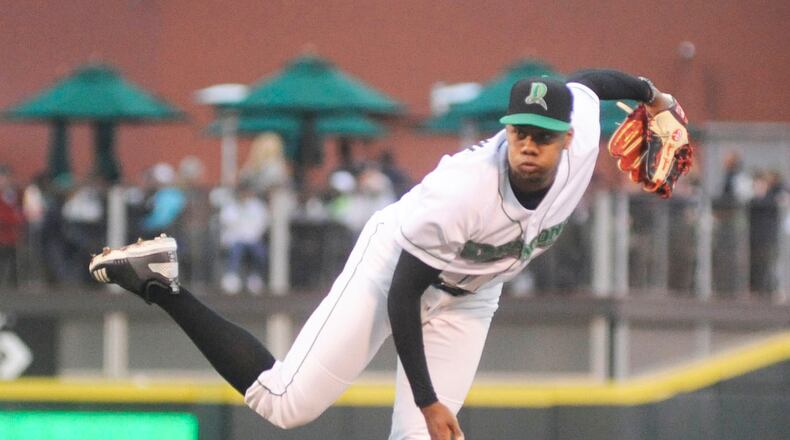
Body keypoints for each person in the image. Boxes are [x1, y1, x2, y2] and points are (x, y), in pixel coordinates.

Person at [88, 70, 678, 440]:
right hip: (395, 268)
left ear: (568, 137)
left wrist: (657, 98)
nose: (528, 144)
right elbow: (403, 294)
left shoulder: (580, 138)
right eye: (519, 130)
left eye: (542, 134)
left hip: (473, 297)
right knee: (285, 404)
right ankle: (159, 282)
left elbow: (591, 84)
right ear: (508, 128)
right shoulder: (462, 191)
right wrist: (427, 400)